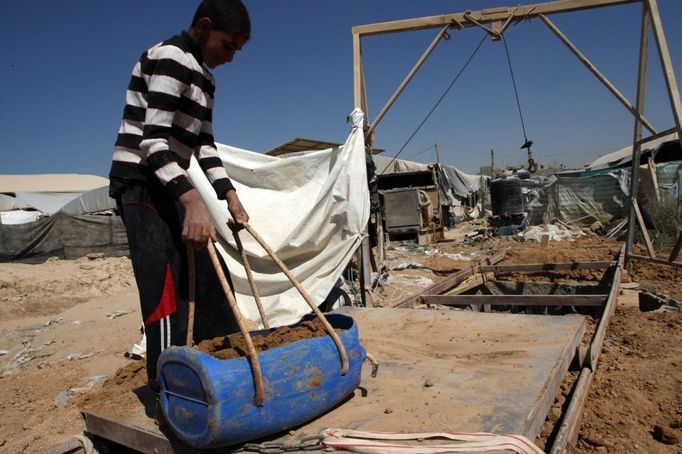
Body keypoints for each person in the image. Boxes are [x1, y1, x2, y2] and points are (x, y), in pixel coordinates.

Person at [108, 0, 251, 390]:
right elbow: (152, 143)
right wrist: (191, 200)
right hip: (139, 182)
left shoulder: (206, 80)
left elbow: (204, 145)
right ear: (204, 27)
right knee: (166, 285)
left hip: (167, 183)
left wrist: (229, 195)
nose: (229, 58)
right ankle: (170, 387)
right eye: (226, 46)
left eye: (236, 51)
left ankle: (223, 372)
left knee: (205, 277)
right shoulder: (170, 56)